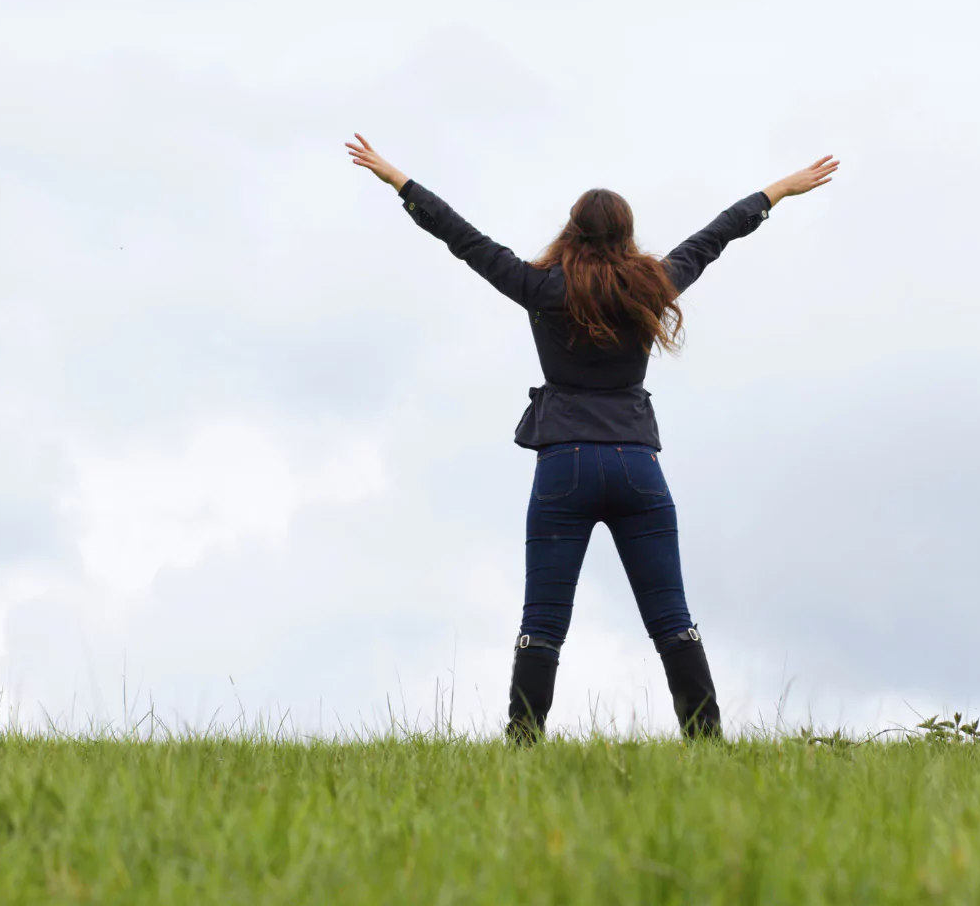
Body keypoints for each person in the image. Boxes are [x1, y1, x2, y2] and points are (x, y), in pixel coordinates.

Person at [346, 133, 839, 742]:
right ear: (626, 235)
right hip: (637, 466)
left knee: (543, 621)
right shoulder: (651, 285)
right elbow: (715, 236)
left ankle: (523, 748)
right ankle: (709, 748)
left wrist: (399, 181)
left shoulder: (541, 288)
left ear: (572, 231)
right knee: (672, 619)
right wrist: (779, 192)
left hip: (564, 466)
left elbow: (464, 239)